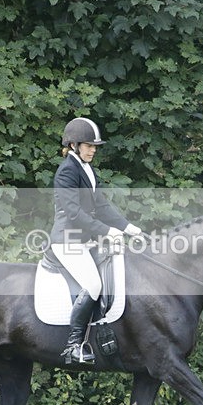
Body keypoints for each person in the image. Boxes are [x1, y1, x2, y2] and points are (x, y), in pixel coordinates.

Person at [49, 117, 142, 364]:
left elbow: (101, 207)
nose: (93, 150)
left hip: (84, 239)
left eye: (94, 146)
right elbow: (74, 213)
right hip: (67, 240)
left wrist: (128, 227)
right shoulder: (67, 171)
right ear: (74, 145)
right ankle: (73, 346)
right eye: (89, 145)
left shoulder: (88, 169)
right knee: (93, 284)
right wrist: (106, 231)